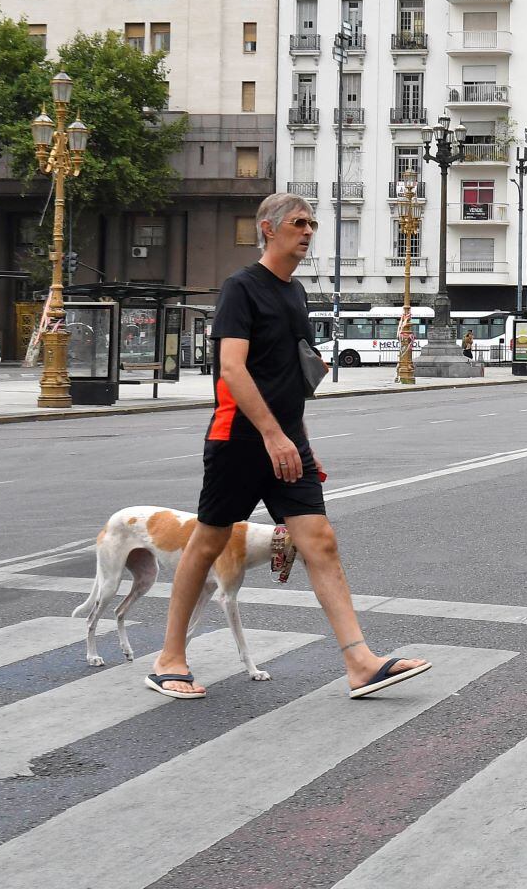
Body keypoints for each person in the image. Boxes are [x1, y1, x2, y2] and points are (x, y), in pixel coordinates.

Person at [147, 192, 430, 702]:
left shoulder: (295, 293)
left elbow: (292, 375)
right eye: (299, 223)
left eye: (312, 224)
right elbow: (233, 369)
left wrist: (301, 441)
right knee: (208, 543)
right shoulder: (241, 289)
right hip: (238, 440)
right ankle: (170, 657)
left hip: (286, 444)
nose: (308, 231)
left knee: (319, 541)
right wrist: (274, 435)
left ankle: (359, 662)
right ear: (268, 229)